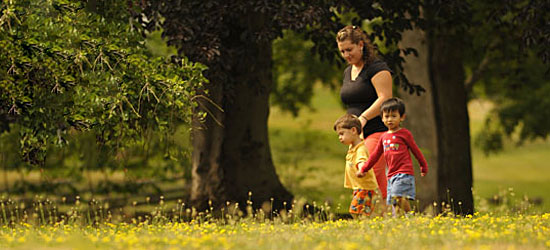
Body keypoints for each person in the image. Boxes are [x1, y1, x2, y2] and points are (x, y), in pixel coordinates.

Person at [336, 25, 393, 203]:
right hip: (356, 135)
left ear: (361, 44)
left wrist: (364, 118)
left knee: (371, 172)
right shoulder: (348, 72)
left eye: (349, 49)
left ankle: (385, 213)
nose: (346, 55)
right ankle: (367, 215)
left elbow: (385, 98)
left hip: (376, 130)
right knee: (357, 174)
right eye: (342, 51)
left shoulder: (377, 68)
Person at [356, 98, 428, 216]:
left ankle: (410, 215)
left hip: (404, 172)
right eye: (387, 116)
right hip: (391, 174)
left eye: (394, 116)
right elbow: (375, 155)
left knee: (397, 196)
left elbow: (416, 151)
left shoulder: (405, 134)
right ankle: (401, 220)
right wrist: (364, 169)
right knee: (395, 201)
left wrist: (423, 166)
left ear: (402, 117)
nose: (390, 119)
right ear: (382, 118)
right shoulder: (383, 137)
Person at [333, 114, 379, 217]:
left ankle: (362, 227)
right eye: (338, 135)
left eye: (342, 134)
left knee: (355, 211)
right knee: (363, 212)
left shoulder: (360, 149)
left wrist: (361, 170)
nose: (340, 138)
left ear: (353, 131)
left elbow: (362, 161)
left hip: (365, 187)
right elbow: (359, 135)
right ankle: (364, 226)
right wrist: (353, 118)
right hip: (359, 187)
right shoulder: (353, 145)